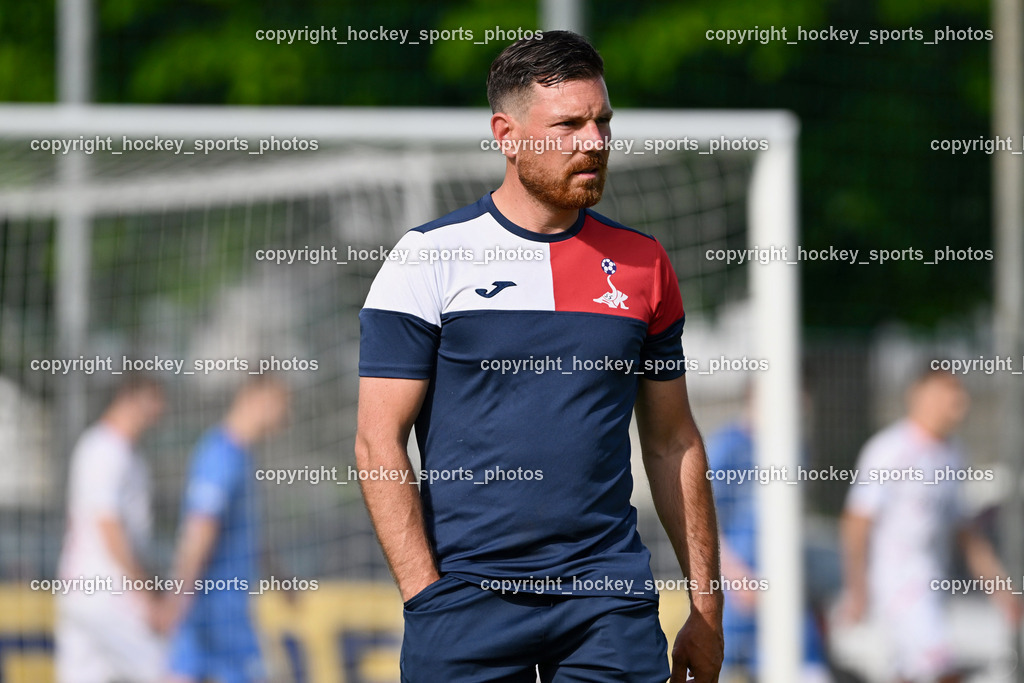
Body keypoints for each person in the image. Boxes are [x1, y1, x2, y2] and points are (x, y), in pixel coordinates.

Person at [356, 30, 723, 683]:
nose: (594, 142)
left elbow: (672, 442)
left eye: (603, 121)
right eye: (569, 125)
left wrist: (706, 601)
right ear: (508, 133)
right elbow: (377, 442)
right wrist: (425, 595)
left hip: (607, 603)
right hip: (465, 601)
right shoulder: (427, 258)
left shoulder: (644, 265)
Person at [839, 368, 1021, 683]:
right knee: (942, 667)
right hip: (895, 583)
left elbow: (967, 534)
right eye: (948, 394)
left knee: (909, 673)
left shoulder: (953, 455)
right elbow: (857, 522)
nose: (959, 402)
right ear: (919, 397)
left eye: (960, 395)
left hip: (933, 581)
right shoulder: (889, 450)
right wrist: (857, 589)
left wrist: (1002, 592)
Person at [162, 374, 290, 683]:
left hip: (222, 614)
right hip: (213, 614)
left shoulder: (242, 457)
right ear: (256, 396)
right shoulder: (221, 455)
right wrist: (176, 602)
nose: (286, 416)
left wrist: (280, 577)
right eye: (283, 404)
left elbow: (244, 537)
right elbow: (200, 530)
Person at [707, 385, 831, 683]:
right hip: (733, 589)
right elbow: (702, 524)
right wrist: (735, 578)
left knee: (806, 664)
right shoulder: (724, 449)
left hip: (782, 588)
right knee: (712, 664)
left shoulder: (796, 450)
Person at [56, 373, 167, 683]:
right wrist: (146, 595)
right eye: (155, 398)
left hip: (81, 597)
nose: (161, 408)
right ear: (130, 396)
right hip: (108, 596)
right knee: (167, 669)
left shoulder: (124, 454)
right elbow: (108, 527)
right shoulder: (104, 448)